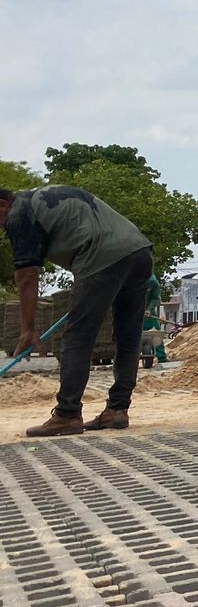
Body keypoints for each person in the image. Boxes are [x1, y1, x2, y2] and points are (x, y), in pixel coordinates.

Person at [0, 185, 156, 436]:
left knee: (77, 337)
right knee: (128, 335)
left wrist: (28, 328)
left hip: (101, 255)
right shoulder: (45, 194)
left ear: (2, 205)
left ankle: (67, 414)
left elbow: (27, 275)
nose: (1, 227)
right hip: (139, 251)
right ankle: (117, 409)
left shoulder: (19, 213)